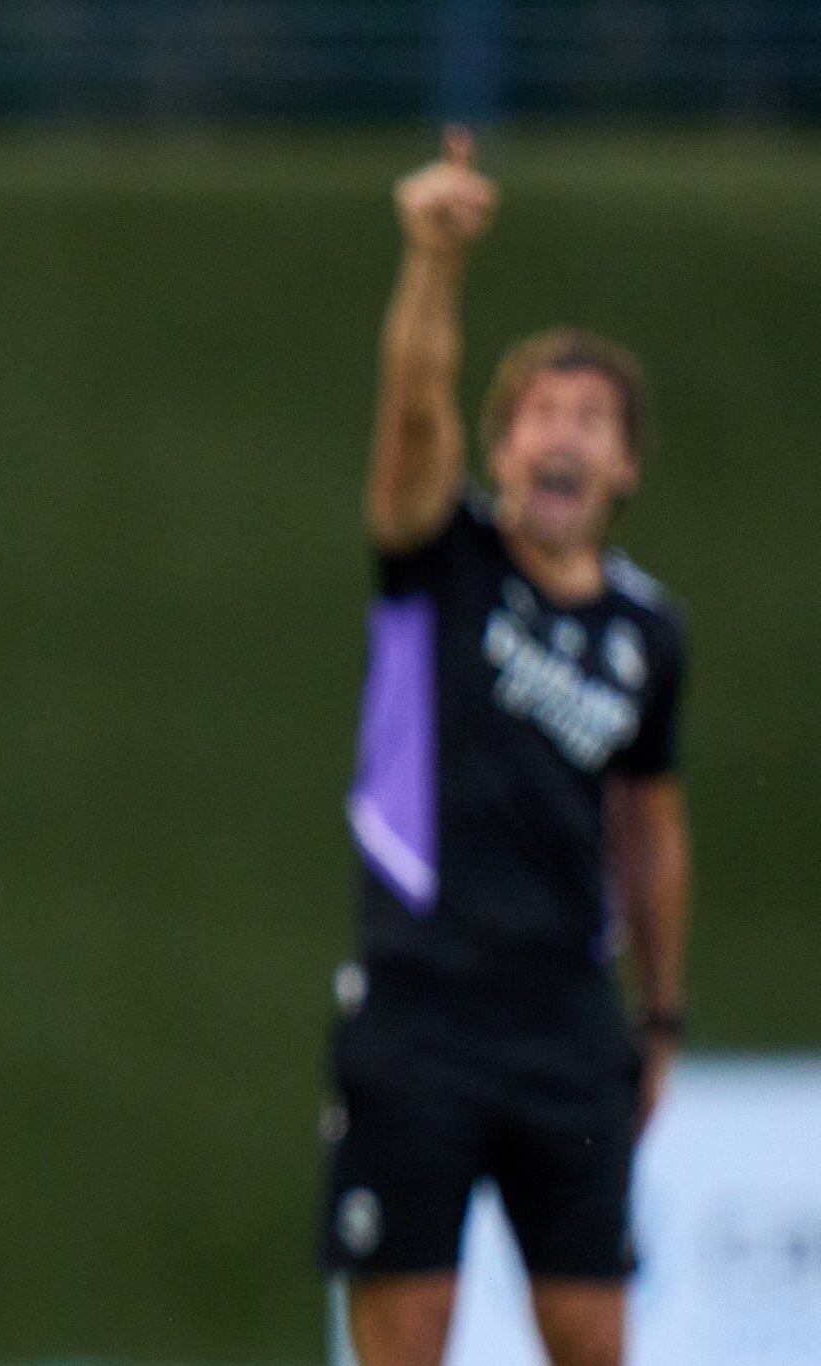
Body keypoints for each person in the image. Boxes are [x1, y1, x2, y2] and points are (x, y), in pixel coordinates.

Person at [324, 129, 694, 1366]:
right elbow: (409, 411)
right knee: (407, 1334)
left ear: (623, 463)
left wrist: (658, 1016)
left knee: (590, 1334)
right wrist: (432, 261)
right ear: (497, 451)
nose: (562, 434)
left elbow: (648, 825)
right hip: (418, 1010)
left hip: (564, 1026)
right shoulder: (440, 558)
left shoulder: (646, 633)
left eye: (590, 418)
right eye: (539, 412)